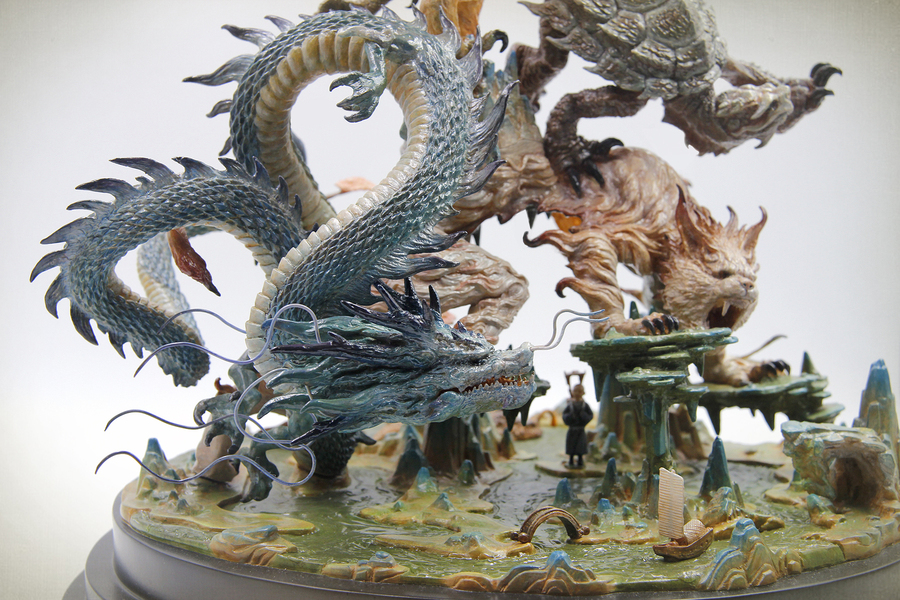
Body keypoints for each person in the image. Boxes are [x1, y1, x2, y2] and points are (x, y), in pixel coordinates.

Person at [561, 373, 593, 468]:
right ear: (572, 392)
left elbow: (590, 415)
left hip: (580, 429)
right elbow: (564, 415)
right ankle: (571, 461)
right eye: (575, 391)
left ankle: (580, 461)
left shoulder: (585, 405)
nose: (577, 393)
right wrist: (570, 417)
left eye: (579, 391)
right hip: (572, 429)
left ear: (583, 393)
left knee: (580, 446)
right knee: (571, 446)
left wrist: (584, 417)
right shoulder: (570, 405)